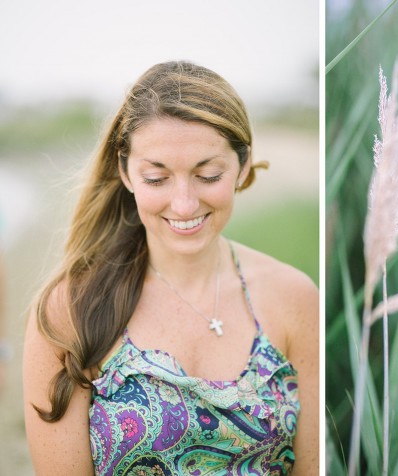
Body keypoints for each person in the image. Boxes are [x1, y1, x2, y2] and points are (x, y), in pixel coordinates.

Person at [23, 61, 319, 475]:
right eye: (157, 178)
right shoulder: (69, 311)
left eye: (208, 175)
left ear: (243, 165)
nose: (183, 204)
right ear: (126, 172)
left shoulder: (295, 298)